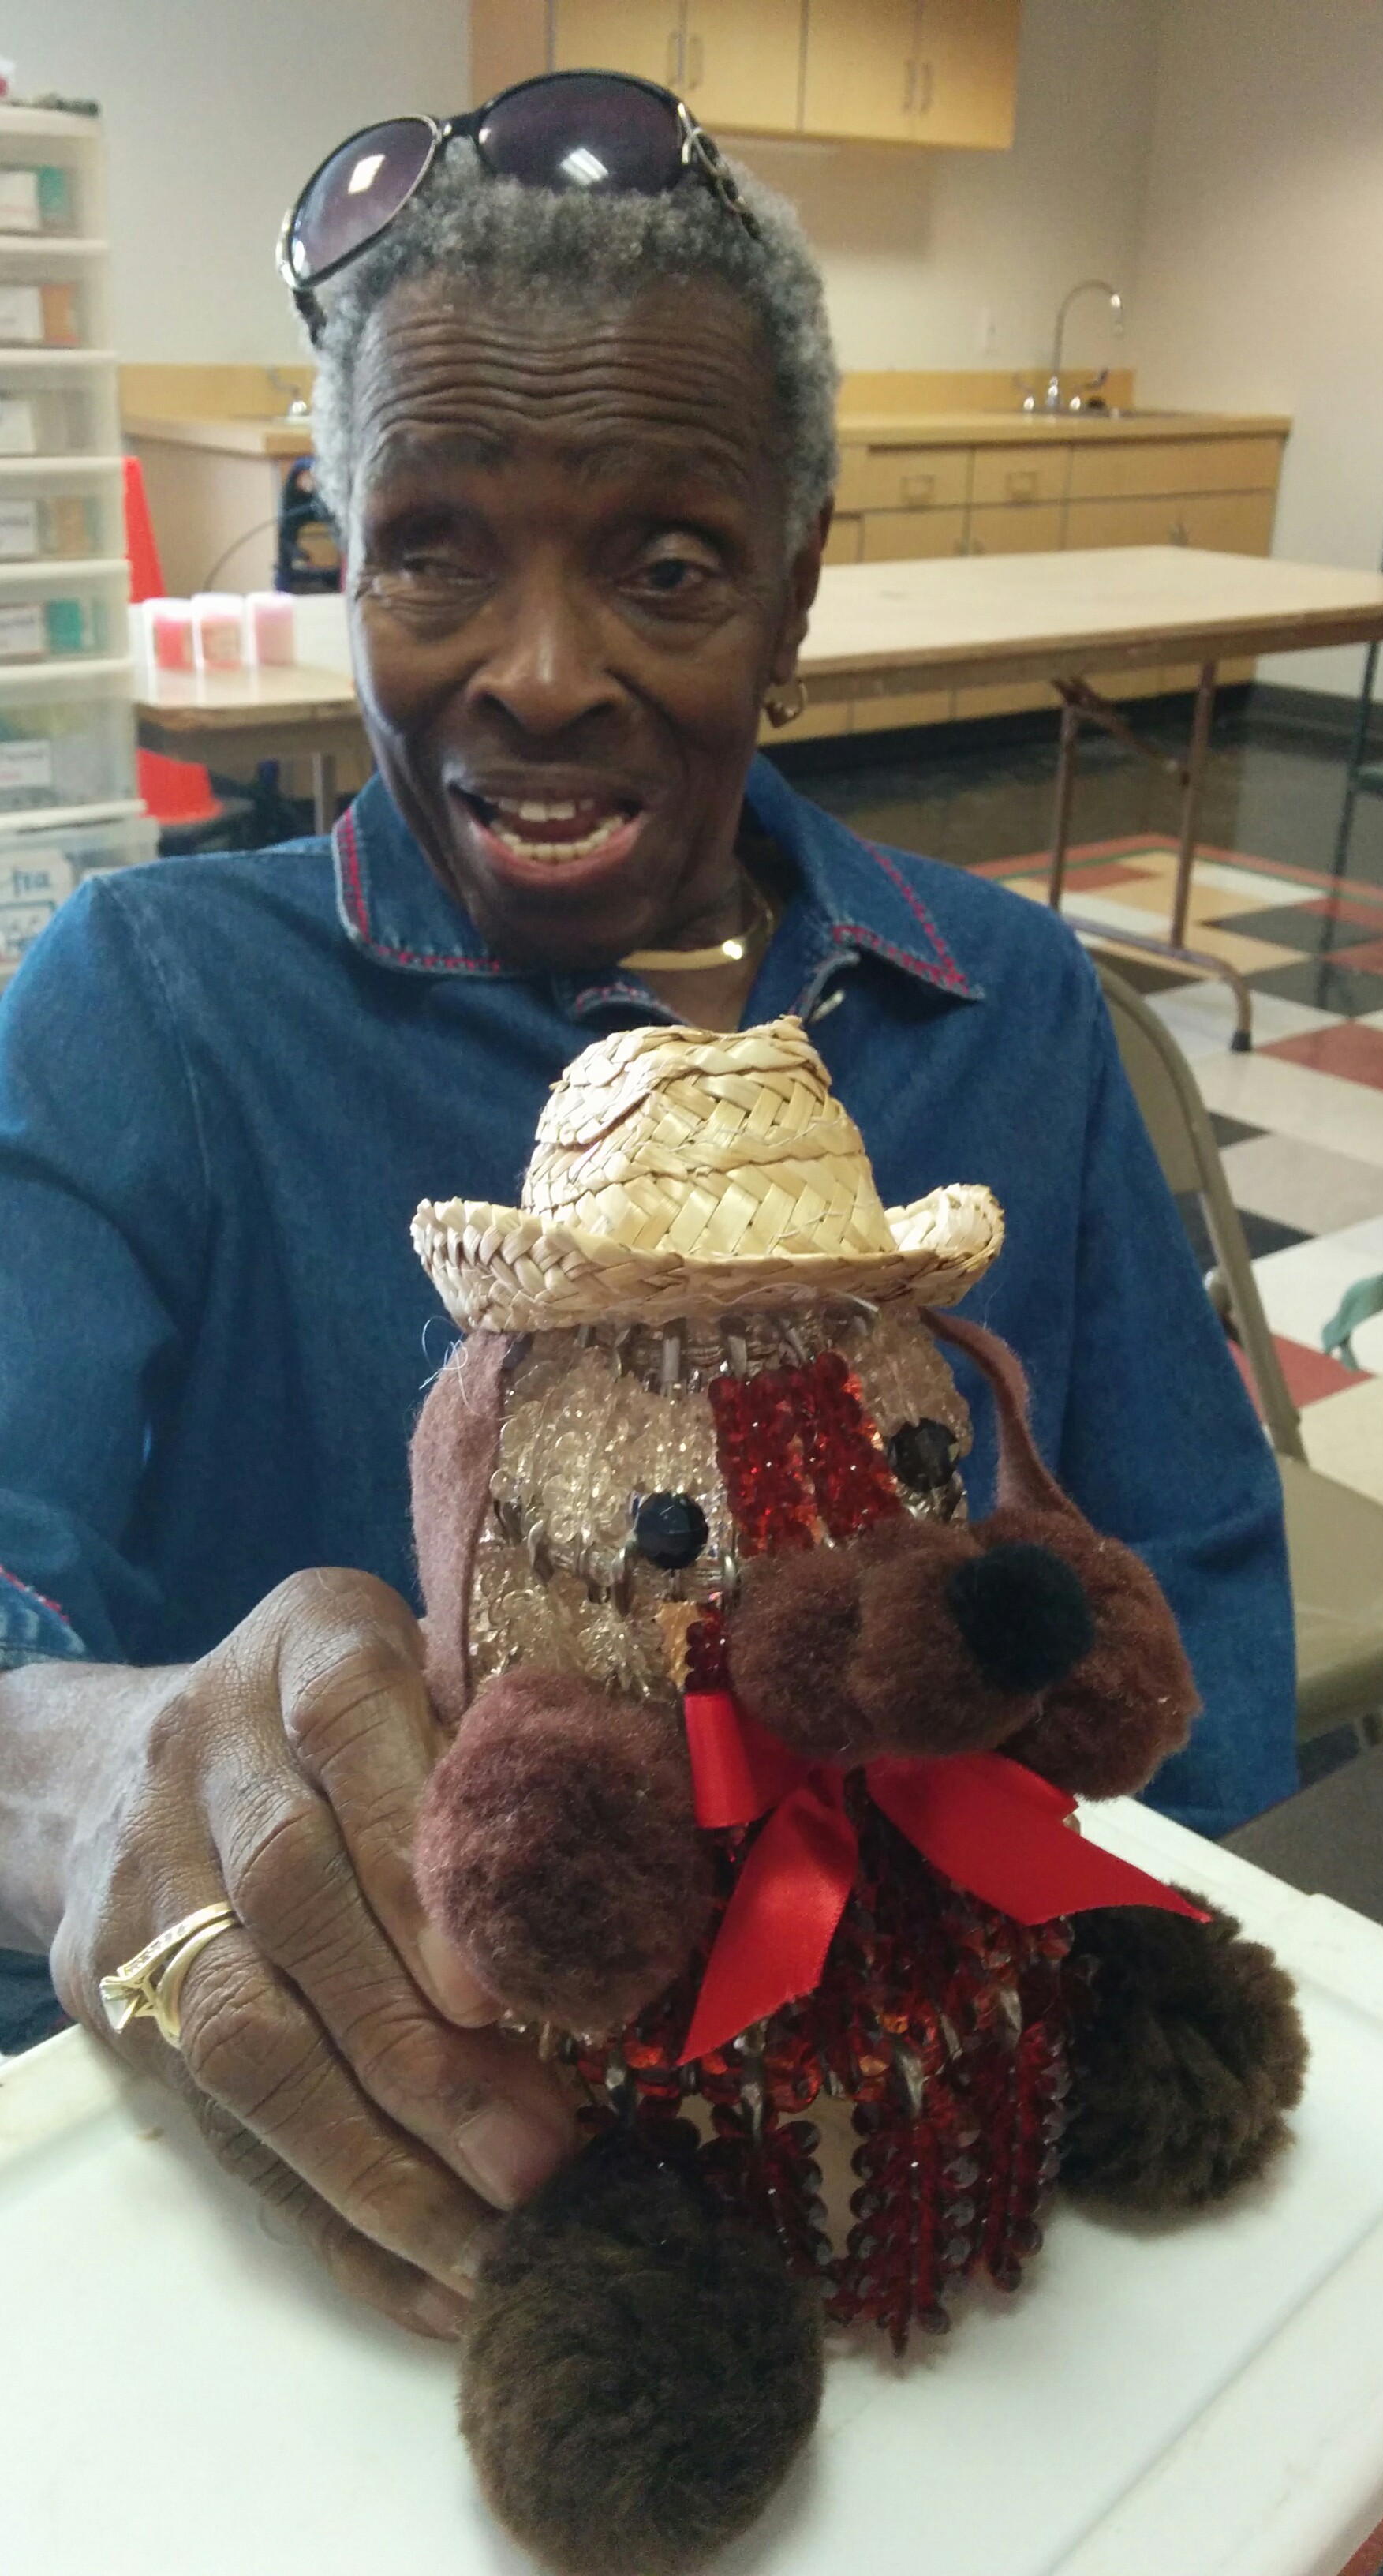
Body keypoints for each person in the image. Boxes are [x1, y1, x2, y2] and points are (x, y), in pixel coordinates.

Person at [0, 73, 1296, 2340]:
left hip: (962, 2207)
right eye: (432, 548)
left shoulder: (999, 1005)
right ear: (343, 558)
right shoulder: (151, 1011)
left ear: (794, 589)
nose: (537, 667)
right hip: (400, 2258)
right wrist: (94, 1756)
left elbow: (1190, 1578)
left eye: (667, 565)